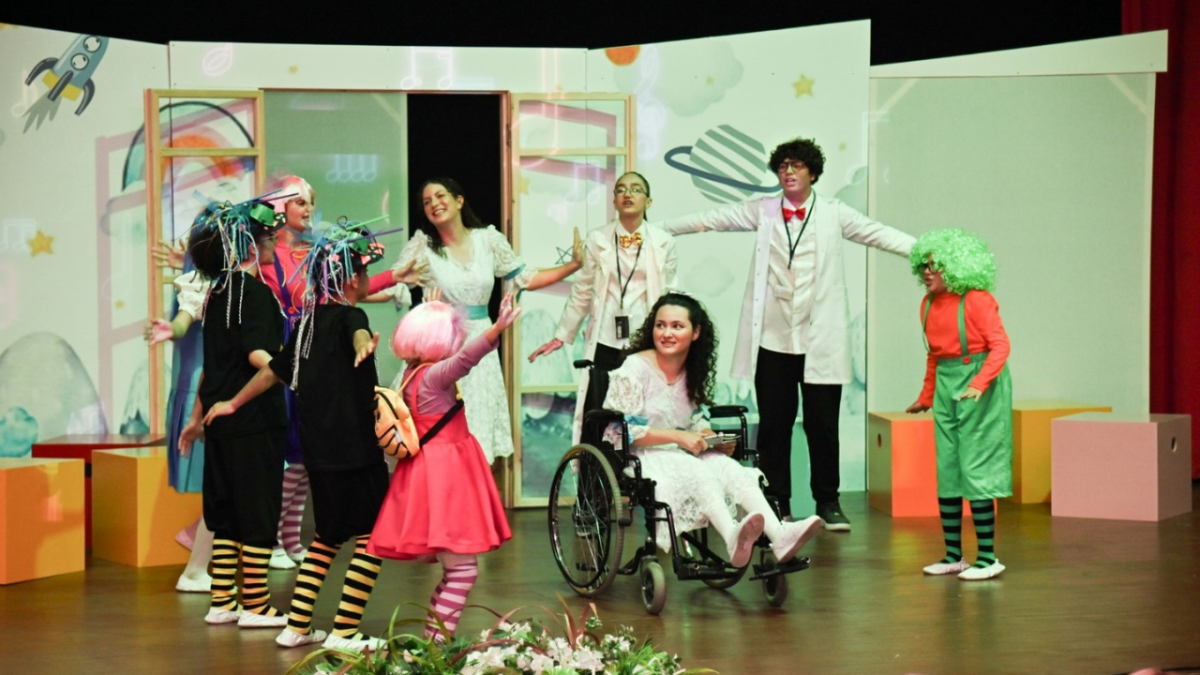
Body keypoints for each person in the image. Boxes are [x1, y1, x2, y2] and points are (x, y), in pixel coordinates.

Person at [662, 137, 916, 530]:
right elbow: (712, 218)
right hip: (775, 339)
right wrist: (658, 229)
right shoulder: (763, 210)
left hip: (820, 341)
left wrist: (926, 249)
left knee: (822, 425)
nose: (789, 172)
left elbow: (878, 233)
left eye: (797, 165)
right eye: (783, 166)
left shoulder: (834, 213)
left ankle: (828, 501)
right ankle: (776, 501)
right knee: (775, 426)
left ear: (813, 173)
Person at [205, 224, 393, 650]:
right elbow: (357, 333)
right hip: (357, 452)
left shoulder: (308, 324)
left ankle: (297, 627)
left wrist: (233, 403)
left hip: (319, 454)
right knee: (372, 537)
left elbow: (273, 371)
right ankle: (345, 630)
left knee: (325, 538)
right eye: (364, 272)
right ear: (351, 278)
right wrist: (363, 344)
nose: (366, 280)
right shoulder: (352, 316)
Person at [259, 176, 426, 570]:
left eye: (310, 202)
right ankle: (273, 540)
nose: (308, 210)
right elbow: (329, 295)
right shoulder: (271, 259)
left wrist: (391, 279)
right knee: (292, 455)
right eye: (299, 202)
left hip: (318, 344)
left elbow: (344, 292)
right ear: (281, 208)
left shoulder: (308, 253)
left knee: (302, 457)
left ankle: (289, 538)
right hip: (300, 347)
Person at [602, 293, 823, 568]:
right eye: (661, 325)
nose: (667, 333)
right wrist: (679, 437)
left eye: (676, 326)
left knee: (730, 468)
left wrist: (710, 437)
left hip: (680, 452)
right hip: (643, 455)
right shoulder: (634, 368)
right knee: (698, 469)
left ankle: (779, 535)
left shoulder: (691, 370)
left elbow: (694, 418)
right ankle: (731, 537)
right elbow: (620, 432)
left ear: (695, 332)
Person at [388, 177, 581, 464]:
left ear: (459, 201)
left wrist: (574, 265)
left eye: (440, 196)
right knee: (437, 435)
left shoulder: (487, 240)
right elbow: (394, 285)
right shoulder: (422, 246)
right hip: (441, 345)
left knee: (477, 431)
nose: (434, 204)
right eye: (427, 202)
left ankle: (473, 491)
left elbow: (526, 278)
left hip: (482, 341)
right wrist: (350, 292)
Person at [369, 290, 519, 640]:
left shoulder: (411, 374)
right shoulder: (434, 376)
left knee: (456, 572)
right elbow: (465, 360)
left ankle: (434, 641)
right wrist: (496, 329)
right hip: (446, 477)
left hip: (431, 473)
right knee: (463, 572)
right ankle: (436, 646)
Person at [178, 197, 290, 628]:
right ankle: (257, 604)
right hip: (253, 420)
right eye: (268, 237)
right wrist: (295, 370)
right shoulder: (256, 294)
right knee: (259, 510)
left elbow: (213, 366)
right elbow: (258, 355)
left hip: (219, 423)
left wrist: (197, 418)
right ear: (252, 244)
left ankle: (223, 599)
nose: (273, 244)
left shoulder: (216, 295)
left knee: (224, 513)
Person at [529, 171, 677, 443]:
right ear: (614, 200)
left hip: (645, 338)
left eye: (636, 189)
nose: (628, 194)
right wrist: (562, 334)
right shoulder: (597, 239)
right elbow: (583, 290)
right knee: (602, 408)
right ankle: (599, 466)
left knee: (643, 408)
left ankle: (639, 465)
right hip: (606, 337)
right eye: (621, 189)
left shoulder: (664, 242)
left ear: (649, 201)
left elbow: (670, 294)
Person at [905, 229, 1012, 581]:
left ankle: (988, 557)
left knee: (977, 466)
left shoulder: (977, 300)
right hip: (947, 385)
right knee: (948, 468)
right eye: (922, 266)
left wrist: (979, 384)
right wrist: (926, 396)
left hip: (980, 379)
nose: (926, 272)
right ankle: (954, 555)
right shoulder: (927, 305)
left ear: (954, 266)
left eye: (934, 265)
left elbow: (1000, 346)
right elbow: (935, 356)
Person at [145, 248, 214, 593]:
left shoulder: (244, 281)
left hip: (229, 392)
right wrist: (170, 329)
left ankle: (197, 560)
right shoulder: (203, 282)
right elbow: (184, 320)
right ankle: (196, 567)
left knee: (235, 488)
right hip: (210, 394)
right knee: (227, 488)